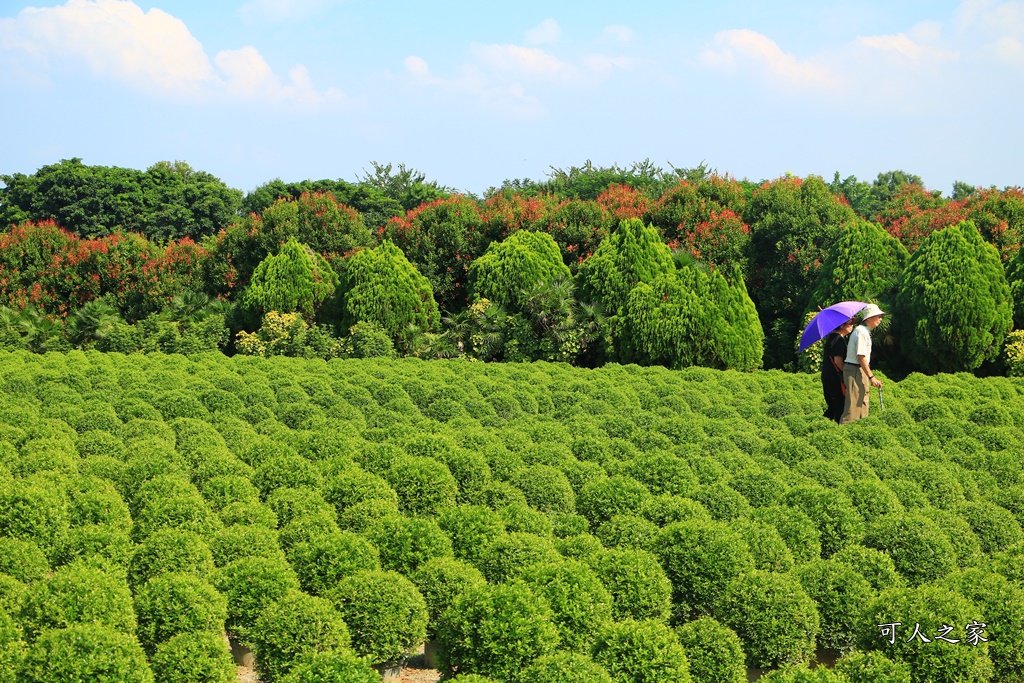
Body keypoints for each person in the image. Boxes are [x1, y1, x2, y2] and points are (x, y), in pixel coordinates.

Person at [840, 304, 885, 424]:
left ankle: (862, 429)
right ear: (869, 318)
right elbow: (861, 357)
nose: (880, 319)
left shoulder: (864, 331)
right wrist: (872, 377)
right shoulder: (861, 332)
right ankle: (843, 433)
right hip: (854, 370)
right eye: (878, 316)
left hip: (859, 370)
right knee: (853, 407)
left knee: (863, 402)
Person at [821, 317, 856, 423]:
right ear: (841, 325)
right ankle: (827, 427)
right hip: (834, 378)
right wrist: (848, 375)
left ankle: (822, 424)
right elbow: (838, 361)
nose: (852, 326)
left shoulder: (832, 337)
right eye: (849, 323)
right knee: (838, 407)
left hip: (828, 376)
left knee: (833, 407)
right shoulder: (838, 340)